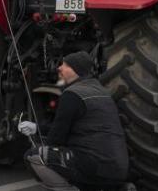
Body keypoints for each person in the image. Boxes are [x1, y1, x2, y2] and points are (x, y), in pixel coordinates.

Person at [18, 52, 130, 191]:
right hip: (118, 168)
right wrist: (36, 127)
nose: (59, 68)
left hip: (95, 166)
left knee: (34, 156)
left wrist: (40, 142)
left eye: (65, 65)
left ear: (76, 71)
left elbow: (56, 139)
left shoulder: (72, 94)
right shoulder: (103, 92)